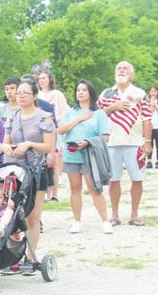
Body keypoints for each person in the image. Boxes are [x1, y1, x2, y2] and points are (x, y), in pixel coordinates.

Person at [0, 80, 55, 274]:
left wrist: (30, 143)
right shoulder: (11, 117)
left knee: (33, 217)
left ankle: (30, 259)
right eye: (19, 92)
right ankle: (10, 257)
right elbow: (4, 142)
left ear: (34, 95)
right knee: (10, 215)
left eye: (25, 92)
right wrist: (5, 147)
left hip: (36, 171)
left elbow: (48, 146)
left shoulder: (45, 117)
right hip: (15, 172)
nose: (21, 95)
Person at [97, 61, 152, 226]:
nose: (121, 70)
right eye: (118, 68)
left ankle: (134, 214)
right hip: (111, 143)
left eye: (125, 68)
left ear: (131, 74)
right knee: (114, 179)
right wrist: (113, 107)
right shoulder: (106, 94)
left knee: (137, 178)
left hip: (135, 143)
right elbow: (98, 116)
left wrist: (147, 141)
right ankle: (114, 215)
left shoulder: (139, 93)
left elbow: (147, 118)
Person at [58, 80, 113, 234]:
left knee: (95, 188)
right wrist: (79, 119)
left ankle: (105, 221)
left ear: (90, 93)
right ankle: (76, 221)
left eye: (84, 90)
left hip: (91, 155)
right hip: (71, 154)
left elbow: (105, 137)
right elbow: (61, 130)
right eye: (78, 90)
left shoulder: (99, 113)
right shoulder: (70, 112)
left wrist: (88, 142)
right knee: (75, 188)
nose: (80, 92)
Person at [37, 72, 68, 202]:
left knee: (54, 160)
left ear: (50, 79)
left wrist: (53, 119)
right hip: (39, 130)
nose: (41, 80)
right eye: (39, 79)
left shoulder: (57, 94)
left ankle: (54, 193)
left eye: (43, 78)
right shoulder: (37, 95)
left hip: (55, 129)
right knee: (41, 162)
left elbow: (64, 111)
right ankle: (43, 193)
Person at [147, 86, 158, 169]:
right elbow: (147, 113)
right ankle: (149, 161)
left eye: (155, 91)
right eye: (151, 91)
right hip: (149, 126)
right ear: (149, 92)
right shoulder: (146, 101)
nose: (153, 93)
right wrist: (151, 106)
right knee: (149, 143)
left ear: (157, 92)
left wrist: (156, 106)